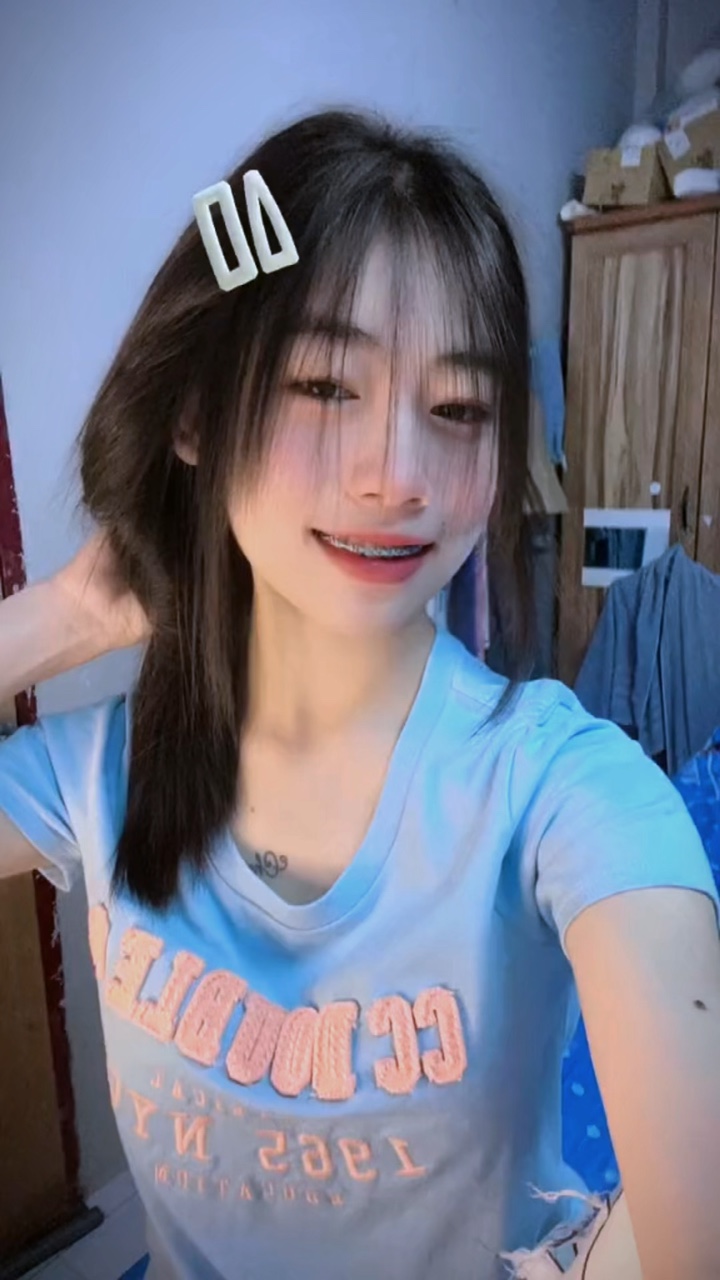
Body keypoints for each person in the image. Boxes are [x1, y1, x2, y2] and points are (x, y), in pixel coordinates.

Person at [0, 109, 718, 1280]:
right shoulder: (99, 772)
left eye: (458, 408)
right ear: (195, 416)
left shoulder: (560, 785)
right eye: (325, 384)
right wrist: (65, 616)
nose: (399, 475)